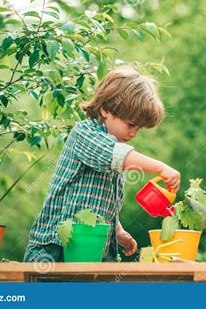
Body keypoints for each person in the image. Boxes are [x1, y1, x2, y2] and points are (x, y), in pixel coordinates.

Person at [24, 67, 180, 262]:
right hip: (56, 249)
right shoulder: (84, 134)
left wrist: (117, 230)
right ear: (106, 109)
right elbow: (117, 156)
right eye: (131, 124)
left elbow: (102, 203)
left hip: (91, 250)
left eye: (138, 128)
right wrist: (161, 168)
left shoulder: (116, 152)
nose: (134, 133)